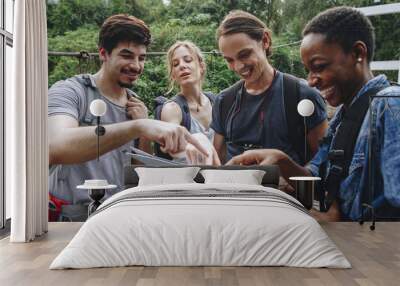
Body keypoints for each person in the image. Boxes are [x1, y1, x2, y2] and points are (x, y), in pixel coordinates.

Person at [227, 7, 400, 221]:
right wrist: (282, 162)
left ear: (358, 53)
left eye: (319, 67)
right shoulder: (342, 117)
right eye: (308, 70)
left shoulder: (390, 105)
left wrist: (342, 228)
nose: (311, 80)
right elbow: (316, 176)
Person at [48, 14, 207, 221]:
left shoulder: (135, 104)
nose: (136, 65)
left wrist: (144, 134)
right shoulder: (70, 91)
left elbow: (139, 171)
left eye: (141, 58)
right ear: (103, 53)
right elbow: (55, 146)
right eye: (127, 55)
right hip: (69, 219)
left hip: (118, 216)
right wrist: (138, 126)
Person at [211, 10, 328, 164]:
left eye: (244, 54)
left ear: (265, 40)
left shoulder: (302, 95)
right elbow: (216, 162)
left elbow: (322, 161)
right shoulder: (224, 102)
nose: (238, 66)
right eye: (229, 60)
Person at [156, 40, 220, 165]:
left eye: (188, 60)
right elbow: (174, 142)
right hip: (186, 180)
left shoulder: (216, 102)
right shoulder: (172, 108)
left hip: (217, 177)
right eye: (175, 64)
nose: (182, 65)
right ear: (173, 75)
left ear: (201, 66)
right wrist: (197, 140)